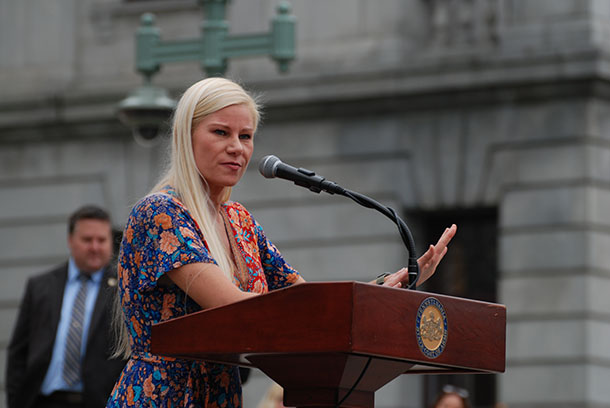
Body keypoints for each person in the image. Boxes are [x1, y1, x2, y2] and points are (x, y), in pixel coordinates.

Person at [106, 77, 457, 408]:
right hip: (163, 394)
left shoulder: (238, 220)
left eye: (246, 136)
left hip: (222, 393)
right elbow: (236, 311)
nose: (236, 148)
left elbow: (307, 303)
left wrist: (389, 286)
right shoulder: (160, 212)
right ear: (187, 137)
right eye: (220, 132)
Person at [6, 205, 126, 408]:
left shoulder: (123, 290)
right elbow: (19, 353)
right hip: (44, 401)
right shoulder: (40, 286)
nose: (95, 247)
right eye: (87, 240)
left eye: (102, 240)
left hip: (101, 403)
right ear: (71, 240)